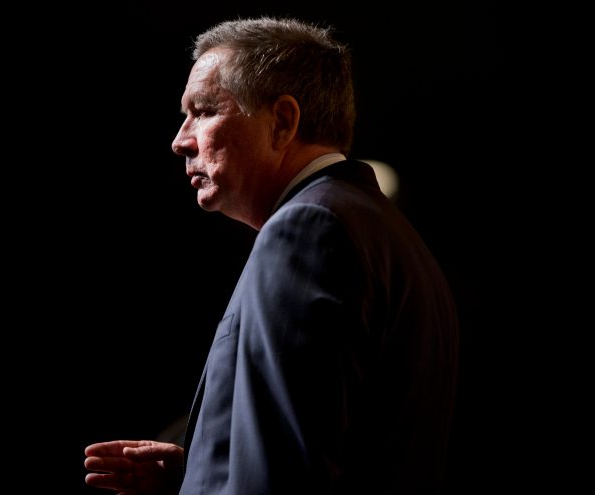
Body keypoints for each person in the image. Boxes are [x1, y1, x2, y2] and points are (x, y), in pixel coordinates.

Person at [84, 16, 459, 494]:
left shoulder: (307, 230)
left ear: (283, 121)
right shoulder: (386, 234)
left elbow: (284, 474)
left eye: (203, 110)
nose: (180, 139)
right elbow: (339, 446)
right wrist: (201, 470)